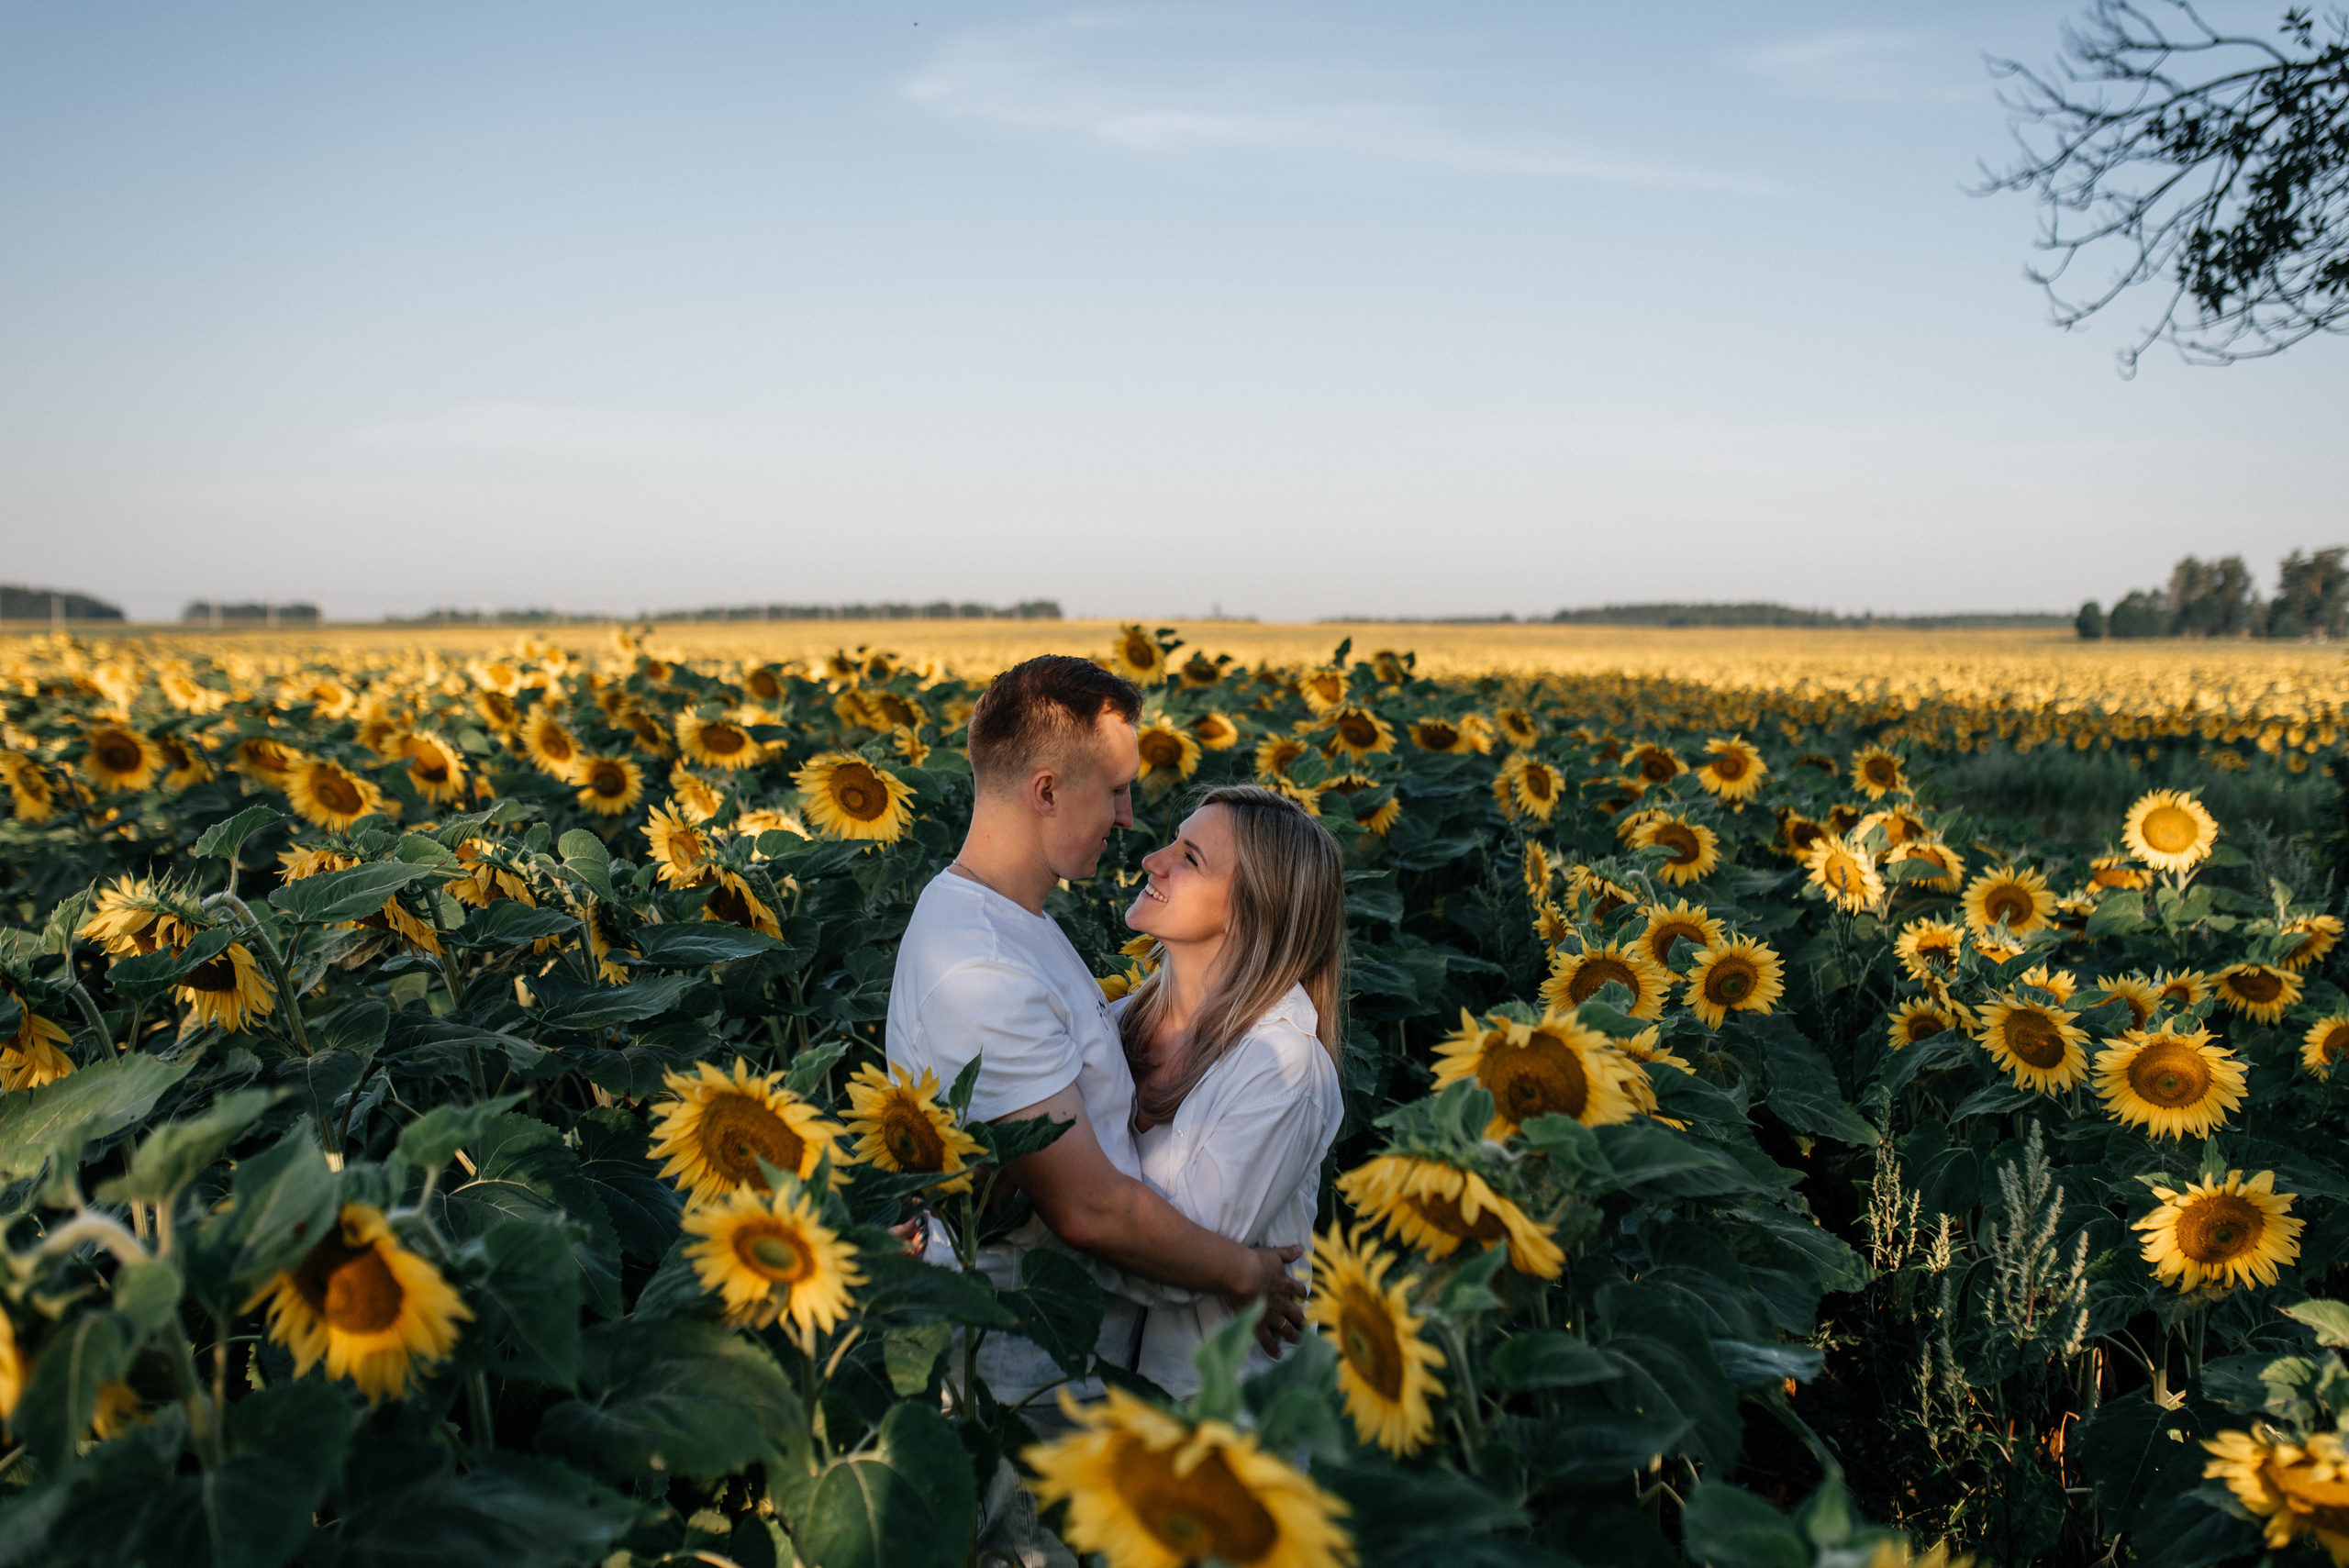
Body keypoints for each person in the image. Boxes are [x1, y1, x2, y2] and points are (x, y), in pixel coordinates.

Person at [885, 655, 1306, 1414]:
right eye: (1114, 789)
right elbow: (1091, 1209)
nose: (1127, 815)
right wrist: (1247, 1274)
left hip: (1063, 1351)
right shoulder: (984, 966)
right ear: (1046, 790)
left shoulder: (1014, 925)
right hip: (1023, 1369)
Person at [1103, 784, 1348, 1397]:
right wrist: (1237, 1272)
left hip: (1215, 1416)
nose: (1152, 860)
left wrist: (1047, 1202)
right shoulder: (1114, 1021)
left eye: (1189, 857)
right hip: (1092, 1404)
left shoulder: (1284, 1067)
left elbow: (1170, 1274)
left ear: (1250, 909)